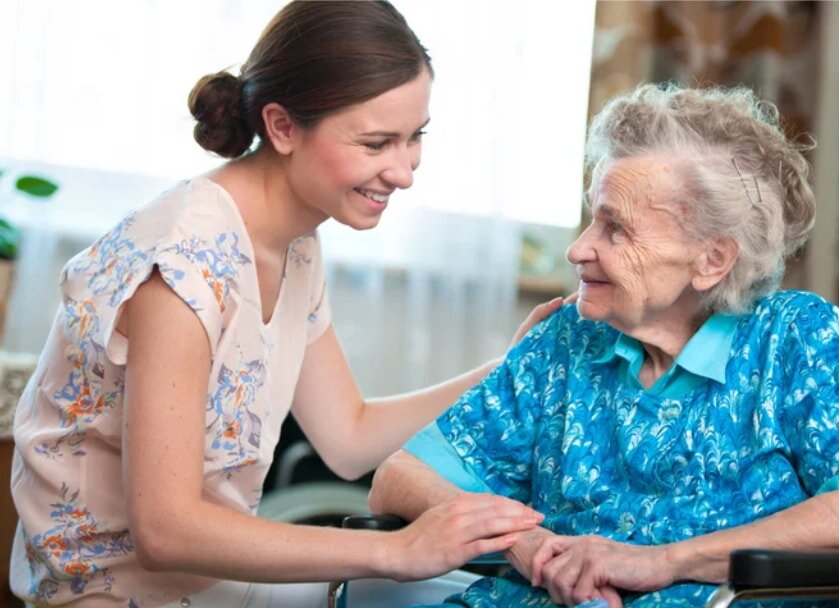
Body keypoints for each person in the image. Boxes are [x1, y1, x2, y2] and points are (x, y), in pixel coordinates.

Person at [9, 2, 558, 606]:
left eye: (415, 137)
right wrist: (398, 550)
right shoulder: (183, 266)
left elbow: (348, 436)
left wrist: (509, 368)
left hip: (203, 583)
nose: (404, 172)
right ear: (283, 127)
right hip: (110, 593)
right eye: (376, 143)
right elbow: (166, 532)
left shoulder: (294, 242)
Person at [369, 84, 839, 608]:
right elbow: (399, 478)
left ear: (712, 260)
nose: (578, 250)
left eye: (616, 229)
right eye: (593, 218)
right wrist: (526, 545)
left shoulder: (791, 336)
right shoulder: (567, 338)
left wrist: (664, 562)